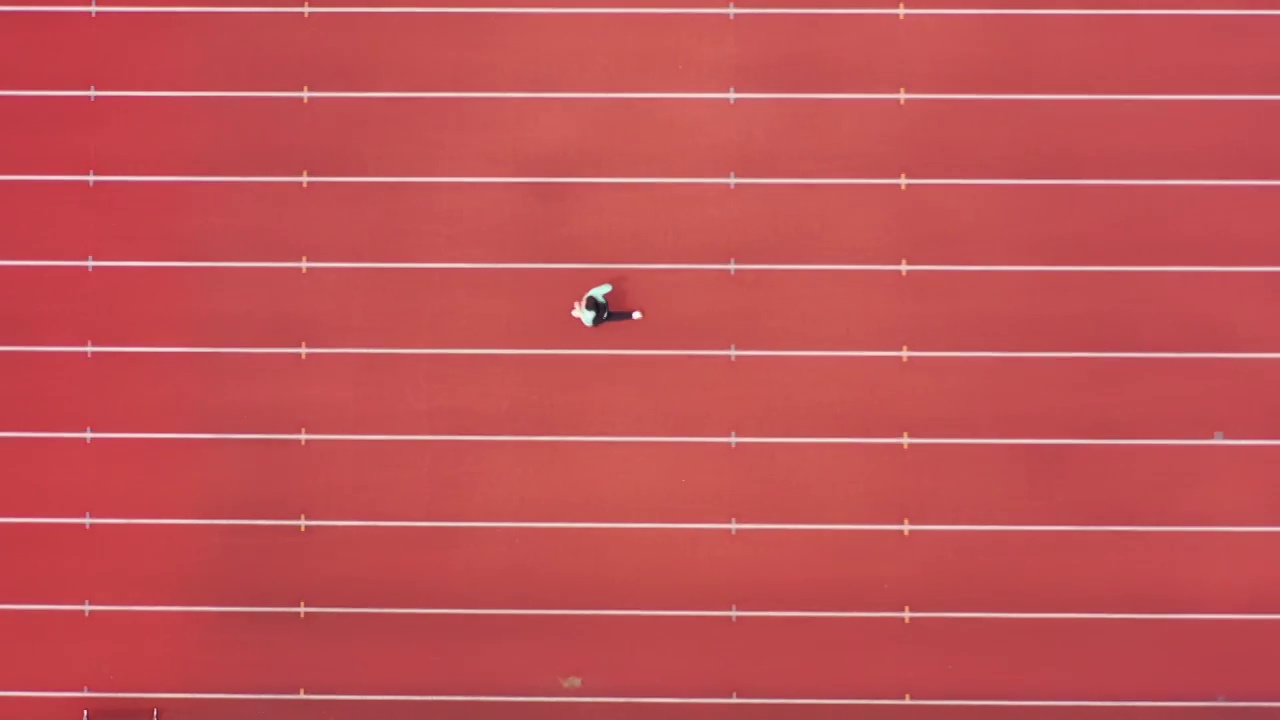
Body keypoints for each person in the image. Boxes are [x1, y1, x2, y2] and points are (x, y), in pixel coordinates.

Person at [571, 283, 642, 327]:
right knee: (610, 316)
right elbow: (609, 287)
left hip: (600, 315)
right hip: (600, 313)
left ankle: (633, 315)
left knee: (610, 316)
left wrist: (580, 307)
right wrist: (581, 306)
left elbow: (609, 287)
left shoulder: (590, 298)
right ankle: (633, 315)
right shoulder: (591, 296)